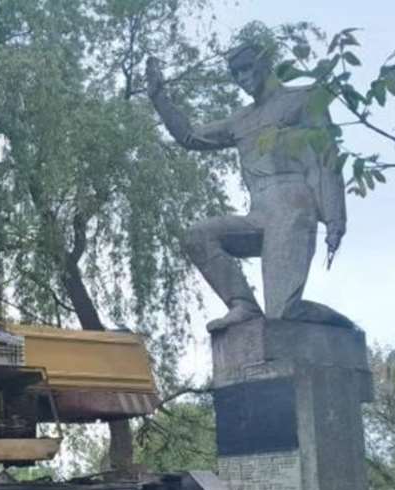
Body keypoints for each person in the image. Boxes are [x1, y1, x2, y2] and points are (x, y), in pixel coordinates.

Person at [147, 43, 353, 331]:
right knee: (199, 236)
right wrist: (159, 98)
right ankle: (243, 304)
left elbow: (327, 159)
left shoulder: (303, 99)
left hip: (294, 205)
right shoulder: (240, 120)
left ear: (265, 64)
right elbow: (191, 137)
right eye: (235, 74)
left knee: (283, 312)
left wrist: (335, 218)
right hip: (259, 212)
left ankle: (342, 331)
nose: (242, 78)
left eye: (246, 69)